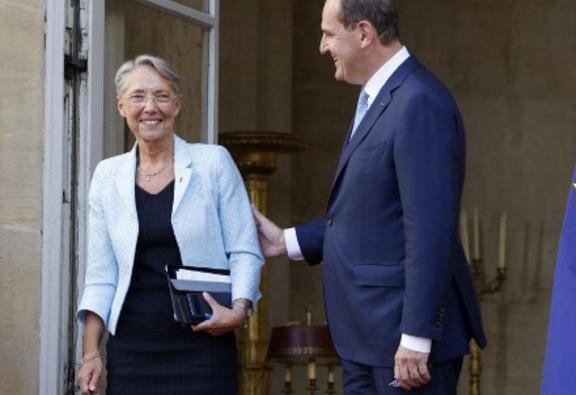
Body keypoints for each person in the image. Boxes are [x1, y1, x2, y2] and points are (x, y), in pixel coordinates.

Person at [253, 0, 486, 393]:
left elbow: (430, 228)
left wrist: (416, 336)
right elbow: (370, 216)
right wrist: (285, 241)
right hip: (369, 341)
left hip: (404, 343)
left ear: (364, 33)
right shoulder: (378, 98)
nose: (322, 47)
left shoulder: (418, 101)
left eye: (328, 34)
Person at [75, 54, 263, 395]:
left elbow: (245, 249)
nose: (150, 107)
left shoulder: (213, 163)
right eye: (138, 96)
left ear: (177, 104)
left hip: (204, 343)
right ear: (121, 106)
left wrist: (239, 310)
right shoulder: (107, 175)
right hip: (132, 349)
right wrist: (90, 354)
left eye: (161, 95)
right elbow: (101, 275)